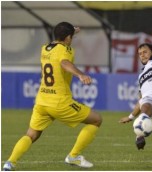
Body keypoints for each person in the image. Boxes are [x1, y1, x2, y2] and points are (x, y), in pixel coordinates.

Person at [3, 22, 102, 171]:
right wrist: (80, 75)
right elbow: (64, 62)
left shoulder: (45, 48)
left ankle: (9, 163)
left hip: (42, 101)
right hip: (59, 102)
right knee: (96, 120)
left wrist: (70, 32)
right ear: (67, 38)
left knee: (31, 135)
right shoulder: (66, 50)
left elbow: (60, 44)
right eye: (71, 37)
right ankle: (74, 156)